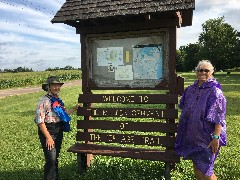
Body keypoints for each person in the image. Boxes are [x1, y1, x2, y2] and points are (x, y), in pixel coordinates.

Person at [175, 60, 227, 180]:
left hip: (207, 137)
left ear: (212, 72)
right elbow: (183, 106)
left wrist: (216, 137)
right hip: (192, 135)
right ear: (196, 72)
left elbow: (219, 117)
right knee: (197, 166)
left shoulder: (215, 91)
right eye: (200, 70)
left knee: (206, 170)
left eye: (206, 70)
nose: (203, 72)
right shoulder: (190, 89)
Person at [34, 76, 80, 180]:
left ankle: (55, 177)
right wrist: (48, 137)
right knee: (51, 159)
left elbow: (62, 115)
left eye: (58, 86)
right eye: (54, 86)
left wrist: (74, 109)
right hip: (48, 131)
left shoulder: (57, 100)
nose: (56, 88)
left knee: (55, 157)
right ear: (49, 87)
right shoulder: (44, 101)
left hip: (58, 130)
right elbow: (40, 121)